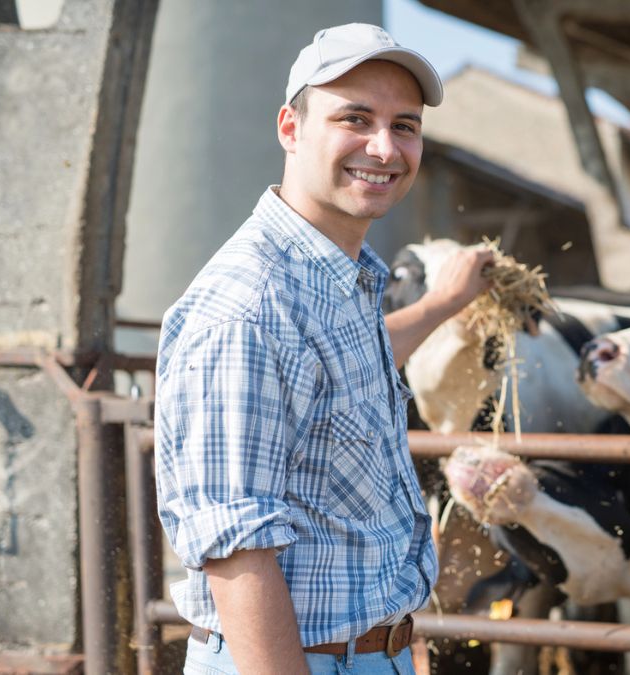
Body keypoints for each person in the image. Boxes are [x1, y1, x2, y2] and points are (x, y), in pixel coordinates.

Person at [154, 23, 493, 675]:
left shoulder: (344, 275)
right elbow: (237, 551)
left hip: (367, 654)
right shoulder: (248, 305)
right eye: (355, 118)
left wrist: (442, 306)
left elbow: (340, 368)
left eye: (405, 125)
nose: (384, 147)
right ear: (290, 127)